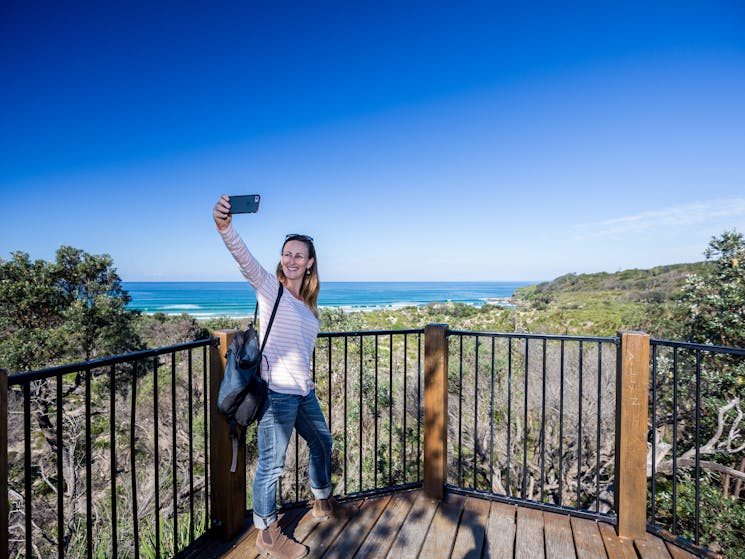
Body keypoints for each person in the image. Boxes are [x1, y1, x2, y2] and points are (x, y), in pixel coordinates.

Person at [213, 194, 334, 559]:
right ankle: (266, 533)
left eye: (299, 255)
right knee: (272, 466)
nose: (292, 260)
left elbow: (301, 355)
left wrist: (307, 382)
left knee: (323, 443)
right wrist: (225, 226)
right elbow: (243, 258)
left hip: (302, 393)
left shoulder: (310, 310)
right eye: (287, 253)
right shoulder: (271, 289)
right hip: (276, 394)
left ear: (310, 263)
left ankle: (321, 500)